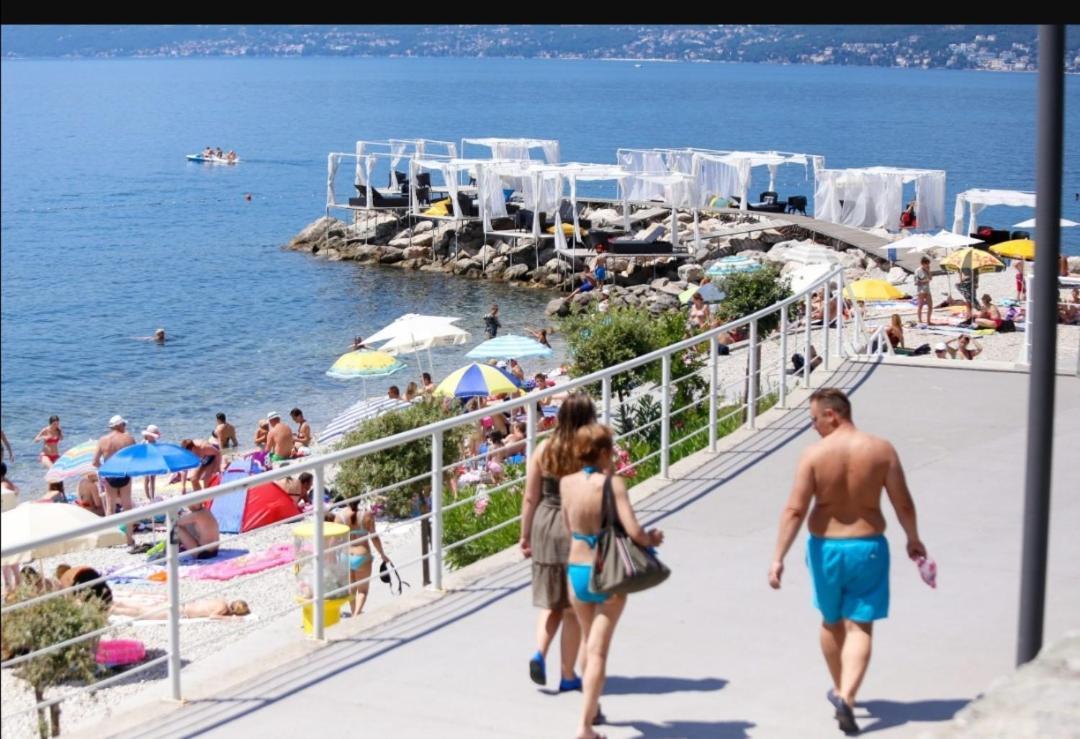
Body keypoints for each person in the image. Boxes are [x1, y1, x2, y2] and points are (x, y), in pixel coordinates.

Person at [768, 388, 927, 736]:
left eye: (813, 419)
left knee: (830, 621)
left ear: (832, 415)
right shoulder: (881, 449)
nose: (812, 427)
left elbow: (795, 509)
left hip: (825, 549)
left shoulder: (813, 456)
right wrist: (913, 538)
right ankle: (848, 695)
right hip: (867, 547)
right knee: (860, 625)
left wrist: (778, 557)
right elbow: (904, 503)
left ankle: (841, 687)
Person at [561, 423, 664, 738]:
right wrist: (652, 538)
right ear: (604, 452)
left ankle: (592, 709)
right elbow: (633, 531)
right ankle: (584, 727)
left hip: (576, 569)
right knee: (598, 651)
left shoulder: (566, 483)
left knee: (587, 637)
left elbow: (568, 526)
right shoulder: (613, 484)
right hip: (606, 572)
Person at [519, 394, 595, 694]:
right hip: (574, 525)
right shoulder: (588, 451)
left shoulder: (543, 449)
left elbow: (530, 496)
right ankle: (567, 675)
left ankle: (539, 652)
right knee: (572, 608)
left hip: (544, 523)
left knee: (551, 600)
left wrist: (524, 535)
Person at [332, 502, 391, 616]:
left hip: (346, 554)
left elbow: (334, 540)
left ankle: (354, 611)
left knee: (351, 588)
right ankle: (356, 615)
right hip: (362, 554)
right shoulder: (367, 515)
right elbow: (374, 537)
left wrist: (330, 556)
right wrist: (382, 554)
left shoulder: (340, 517)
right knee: (363, 590)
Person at [93, 415, 139, 551]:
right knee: (127, 507)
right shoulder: (129, 439)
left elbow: (94, 462)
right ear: (119, 426)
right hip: (124, 473)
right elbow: (136, 458)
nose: (125, 427)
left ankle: (109, 540)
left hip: (110, 474)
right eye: (124, 425)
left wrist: (105, 469)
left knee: (110, 508)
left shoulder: (103, 440)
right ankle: (129, 539)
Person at [111, 595, 249, 619]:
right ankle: (114, 610)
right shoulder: (223, 609)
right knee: (143, 613)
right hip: (182, 612)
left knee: (144, 608)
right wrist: (230, 619)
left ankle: (117, 604)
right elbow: (214, 616)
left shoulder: (221, 601)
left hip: (183, 606)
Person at [141, 425, 161, 501]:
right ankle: (148, 496)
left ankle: (152, 496)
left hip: (153, 462)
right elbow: (141, 452)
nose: (153, 437)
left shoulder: (155, 443)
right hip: (145, 462)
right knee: (146, 479)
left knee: (153, 479)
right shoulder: (144, 442)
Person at [914, 256, 934, 326]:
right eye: (926, 264)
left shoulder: (927, 269)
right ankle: (920, 320)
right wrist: (924, 281)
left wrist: (928, 271)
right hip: (921, 291)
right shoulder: (918, 271)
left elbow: (931, 278)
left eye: (928, 264)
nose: (928, 265)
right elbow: (916, 282)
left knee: (930, 306)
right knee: (920, 306)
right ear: (922, 263)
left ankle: (928, 321)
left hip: (927, 290)